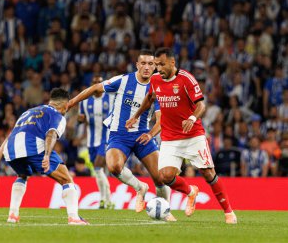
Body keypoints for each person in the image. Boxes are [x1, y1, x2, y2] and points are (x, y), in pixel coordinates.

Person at [126, 47, 237, 224]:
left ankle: (229, 212)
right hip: (170, 138)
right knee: (165, 176)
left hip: (193, 135)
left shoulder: (186, 79)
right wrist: (136, 116)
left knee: (208, 174)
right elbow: (150, 98)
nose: (158, 68)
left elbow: (201, 105)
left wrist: (192, 118)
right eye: (156, 65)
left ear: (172, 62)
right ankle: (191, 191)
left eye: (161, 64)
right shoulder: (155, 79)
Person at [68, 49, 175, 221]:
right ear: (137, 65)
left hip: (142, 135)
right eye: (144, 63)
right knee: (113, 166)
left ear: (155, 67)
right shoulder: (123, 80)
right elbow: (96, 87)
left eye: (151, 64)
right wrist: (72, 102)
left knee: (161, 177)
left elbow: (161, 120)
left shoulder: (159, 88)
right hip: (119, 135)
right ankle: (140, 187)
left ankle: (165, 210)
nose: (147, 67)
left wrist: (150, 134)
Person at [0, 88, 89, 225]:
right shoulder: (58, 116)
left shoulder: (28, 112)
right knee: (67, 180)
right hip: (33, 146)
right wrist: (46, 155)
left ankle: (13, 215)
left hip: (11, 149)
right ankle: (74, 217)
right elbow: (51, 134)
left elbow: (10, 136)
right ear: (65, 105)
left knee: (22, 175)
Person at [77, 74, 113, 209]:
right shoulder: (85, 101)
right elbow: (81, 119)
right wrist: (80, 119)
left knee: (98, 167)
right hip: (91, 140)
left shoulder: (109, 99)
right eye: (95, 83)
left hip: (105, 138)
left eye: (99, 82)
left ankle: (105, 198)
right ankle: (107, 200)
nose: (97, 86)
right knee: (98, 171)